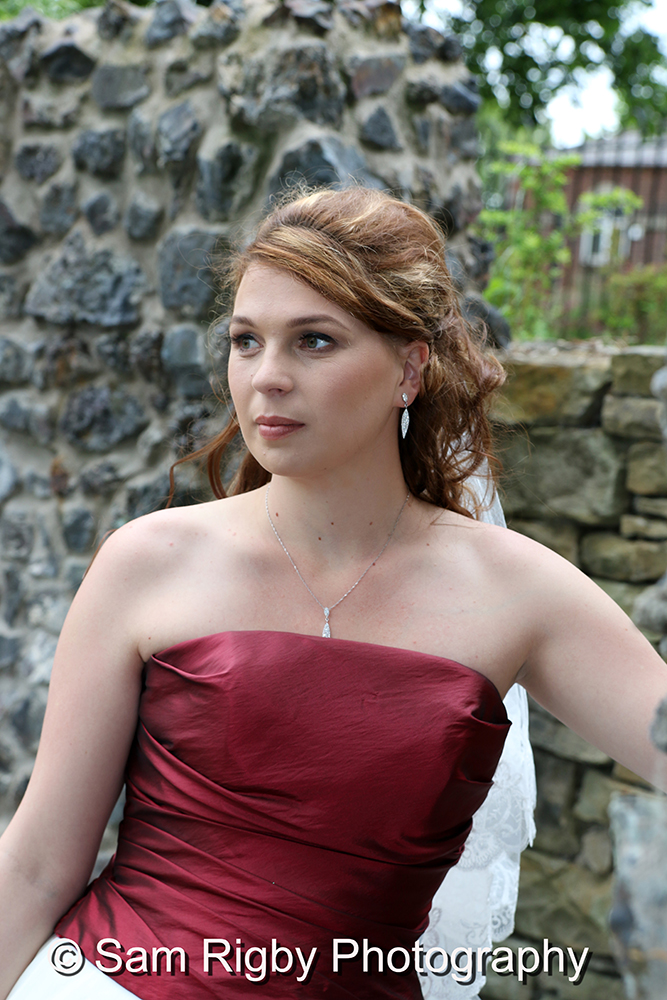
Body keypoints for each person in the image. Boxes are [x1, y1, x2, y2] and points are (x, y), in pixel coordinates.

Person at [1, 186, 666, 1000]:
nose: (267, 378)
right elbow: (36, 864)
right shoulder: (149, 562)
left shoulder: (518, 591)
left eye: (313, 341)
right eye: (246, 341)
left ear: (409, 369)